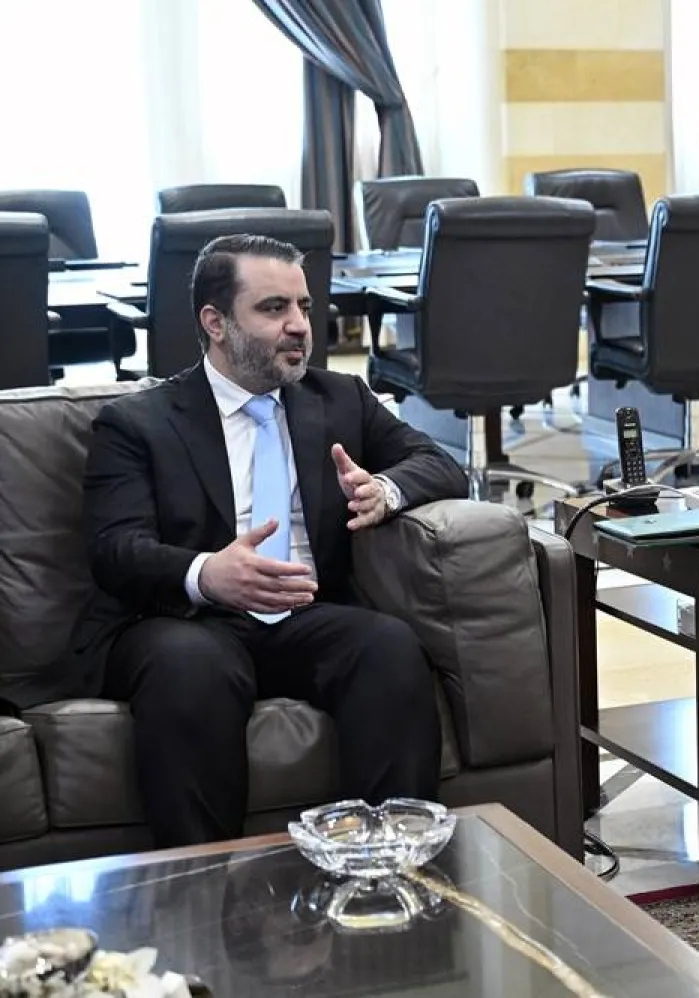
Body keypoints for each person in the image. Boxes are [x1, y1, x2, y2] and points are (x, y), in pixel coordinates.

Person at [71, 233, 469, 848]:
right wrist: (207, 572)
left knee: (388, 646)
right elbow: (115, 548)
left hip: (305, 612)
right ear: (216, 322)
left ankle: (390, 869)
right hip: (186, 619)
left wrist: (383, 491)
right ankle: (204, 885)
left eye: (304, 308)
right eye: (273, 308)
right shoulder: (137, 423)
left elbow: (438, 463)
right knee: (190, 666)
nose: (299, 326)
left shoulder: (339, 398)